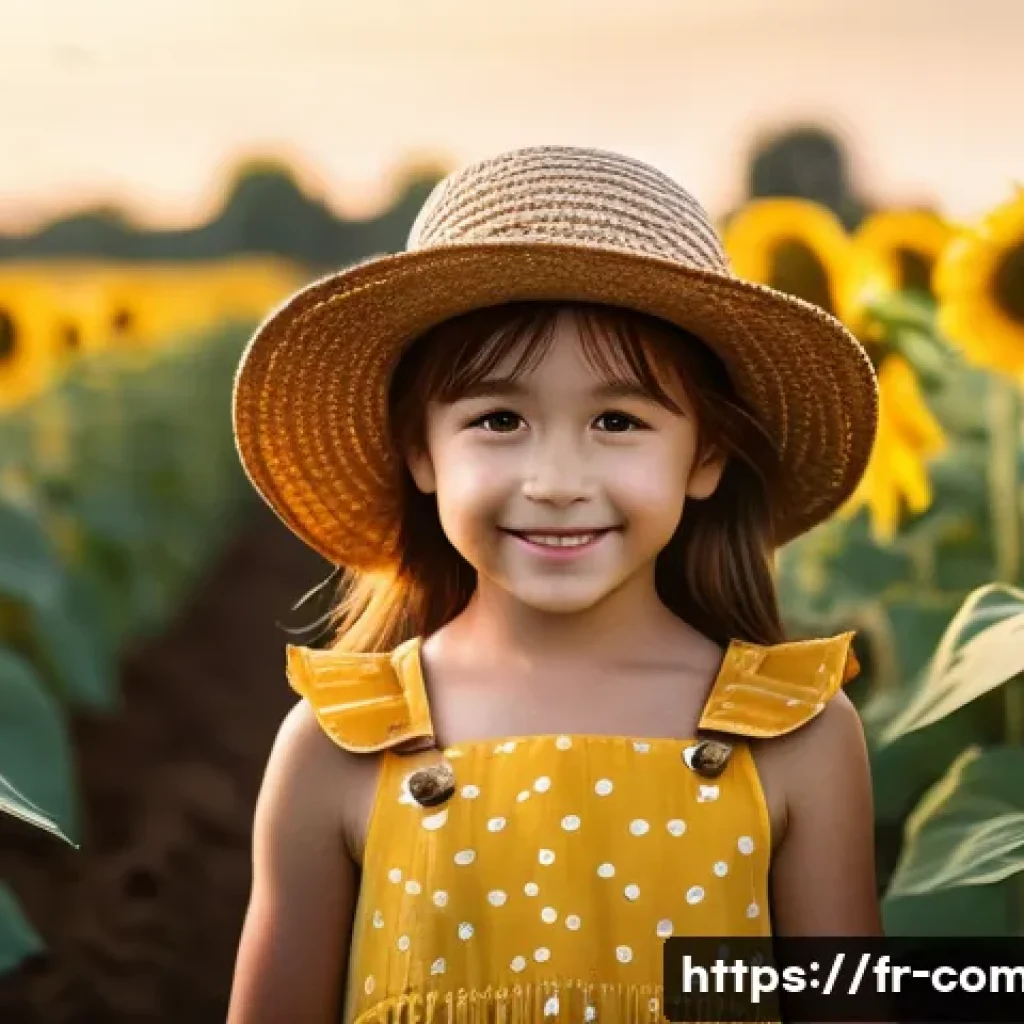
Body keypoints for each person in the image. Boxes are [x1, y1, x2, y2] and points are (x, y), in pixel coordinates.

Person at [227, 145, 883, 1024]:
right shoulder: (340, 746)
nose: (557, 478)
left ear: (707, 456)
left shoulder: (798, 736)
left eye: (618, 420)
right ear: (421, 452)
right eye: (499, 419)